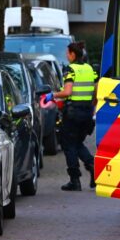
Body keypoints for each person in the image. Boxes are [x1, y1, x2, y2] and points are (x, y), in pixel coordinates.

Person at [44, 41, 98, 191]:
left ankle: (75, 180)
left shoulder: (70, 70)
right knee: (77, 142)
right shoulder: (90, 69)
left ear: (73, 54)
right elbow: (96, 92)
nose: (67, 56)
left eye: (68, 53)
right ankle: (92, 165)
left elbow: (67, 92)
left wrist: (52, 95)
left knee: (68, 144)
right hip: (87, 112)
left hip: (73, 113)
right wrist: (92, 107)